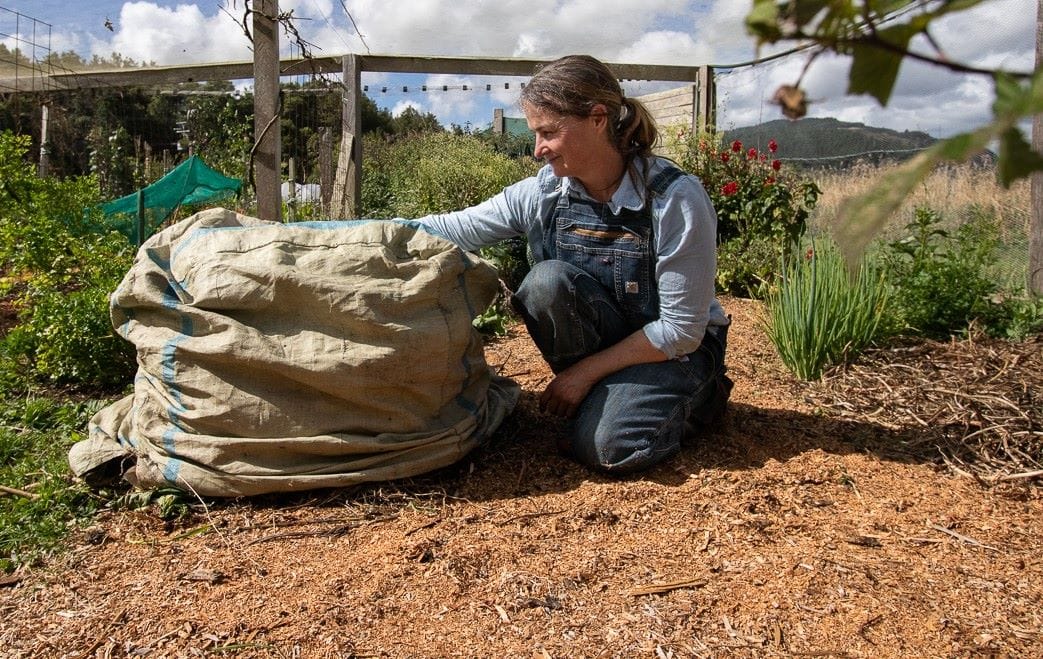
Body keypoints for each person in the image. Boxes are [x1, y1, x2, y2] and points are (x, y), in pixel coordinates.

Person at [414, 54, 732, 474]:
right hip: (615, 346)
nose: (537, 149)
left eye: (548, 133)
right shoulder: (546, 193)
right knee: (547, 282)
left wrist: (581, 374)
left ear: (598, 119)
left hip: (679, 355)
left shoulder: (674, 198)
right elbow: (453, 228)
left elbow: (681, 329)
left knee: (611, 448)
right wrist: (341, 231)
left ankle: (698, 397)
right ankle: (607, 399)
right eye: (536, 134)